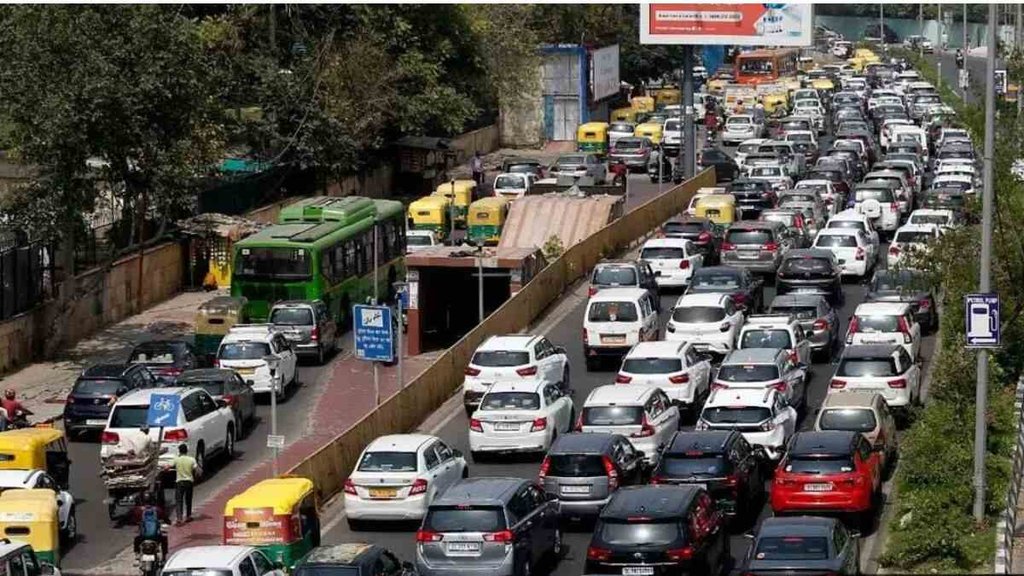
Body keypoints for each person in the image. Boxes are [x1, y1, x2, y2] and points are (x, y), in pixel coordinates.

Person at [133, 491, 168, 557]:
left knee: (136, 539)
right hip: (156, 536)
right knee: (164, 539)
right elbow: (165, 518)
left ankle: (137, 554)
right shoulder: (158, 509)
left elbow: (133, 519)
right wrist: (167, 522)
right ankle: (164, 557)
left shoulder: (138, 510)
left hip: (143, 536)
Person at [173, 444, 201, 525]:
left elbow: (168, 466)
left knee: (179, 500)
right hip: (189, 482)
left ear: (179, 451)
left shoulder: (177, 459)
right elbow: (198, 470)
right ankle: (188, 516)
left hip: (179, 482)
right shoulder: (191, 459)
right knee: (188, 500)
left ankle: (179, 518)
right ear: (186, 451)